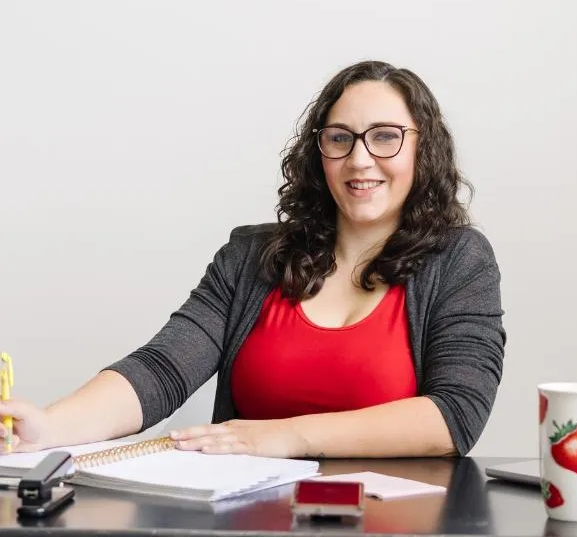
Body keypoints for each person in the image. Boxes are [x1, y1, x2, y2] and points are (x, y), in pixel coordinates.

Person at [0, 60, 506, 459]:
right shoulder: (250, 257)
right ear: (319, 152)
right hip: (253, 515)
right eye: (339, 138)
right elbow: (161, 370)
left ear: (424, 148)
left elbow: (454, 416)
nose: (359, 159)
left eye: (385, 136)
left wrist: (287, 437)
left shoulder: (460, 261)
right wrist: (52, 425)